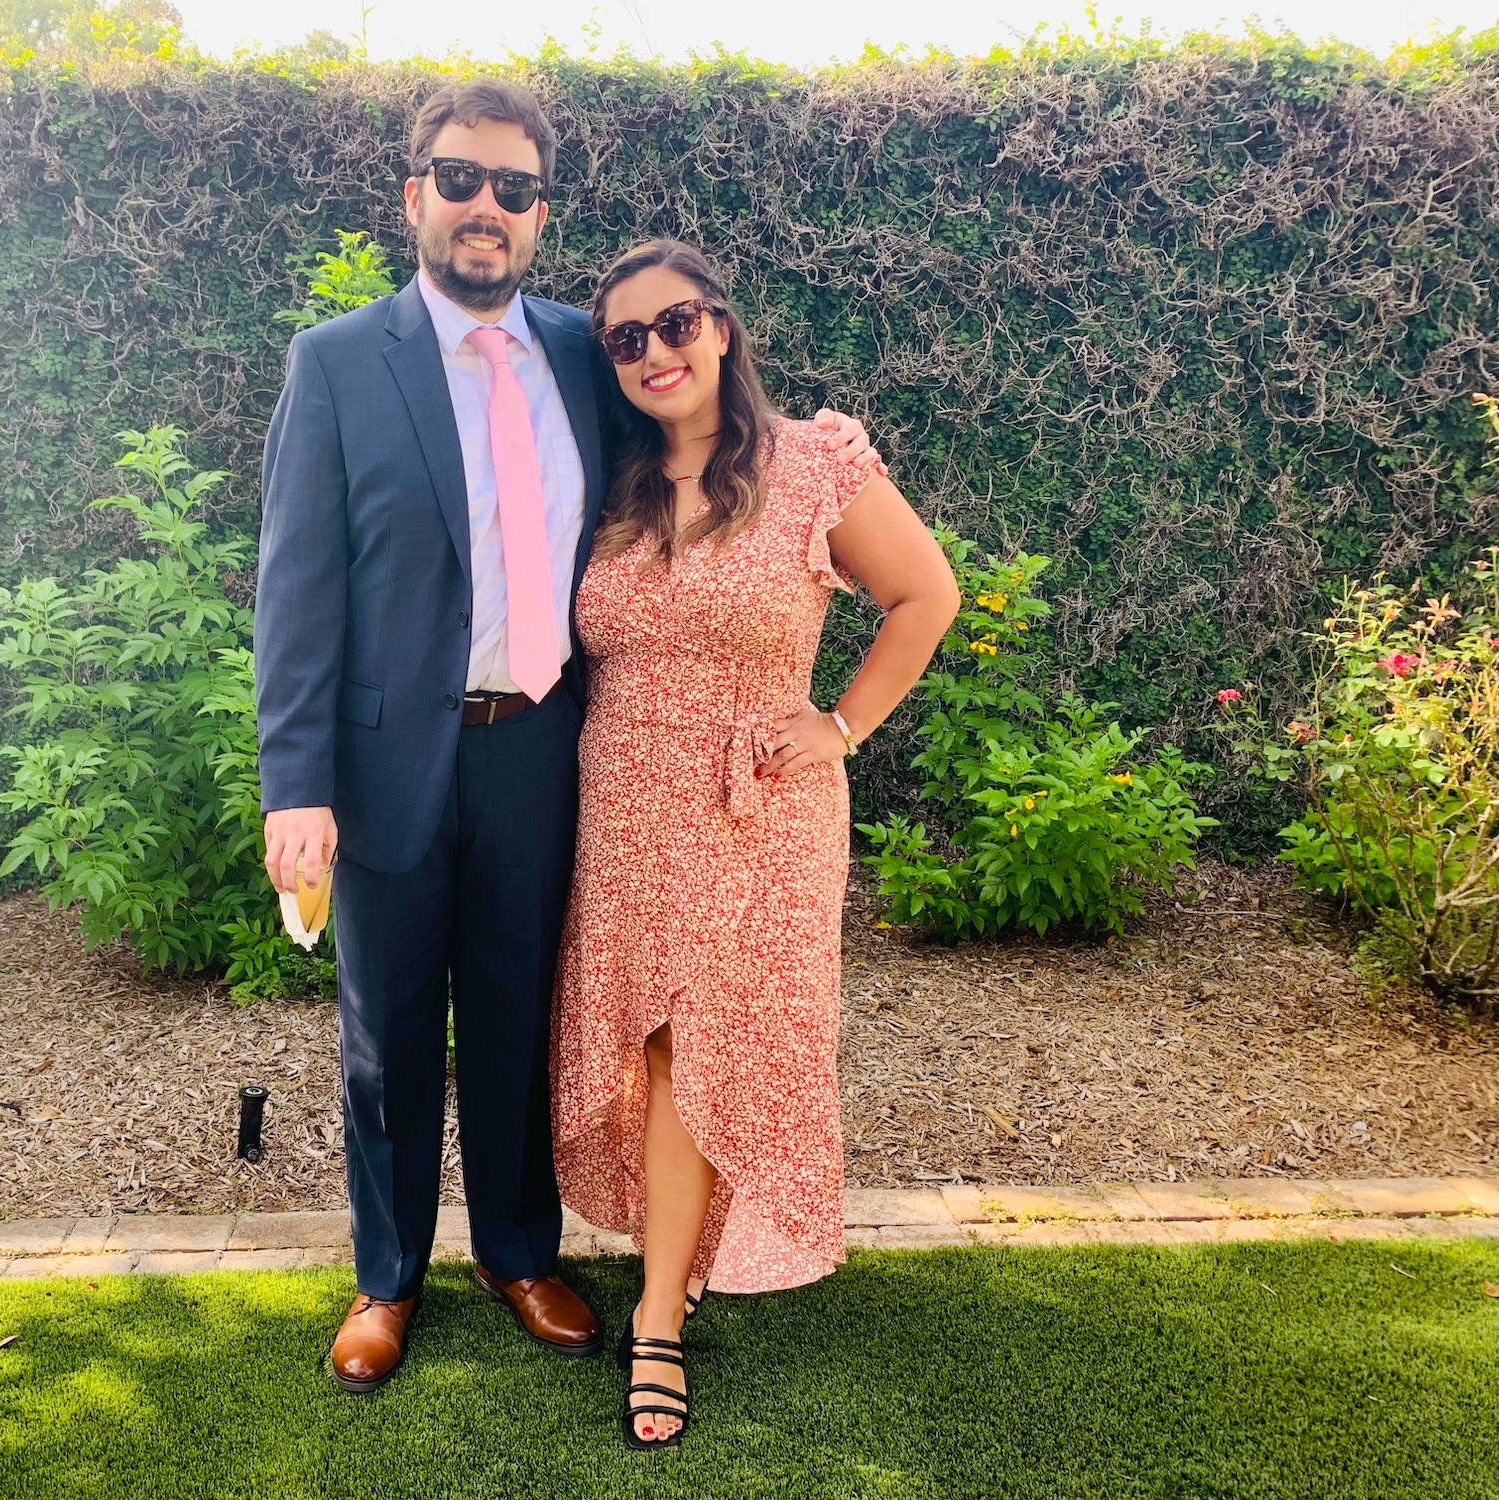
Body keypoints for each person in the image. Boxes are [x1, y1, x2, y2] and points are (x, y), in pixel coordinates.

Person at [254, 80, 883, 1393]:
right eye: (461, 179)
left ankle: (517, 1252)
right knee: (386, 1039)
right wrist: (293, 784)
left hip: (547, 752)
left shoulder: (586, 355)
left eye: (515, 188)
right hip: (385, 761)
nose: (486, 206)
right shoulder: (337, 363)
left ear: (540, 213)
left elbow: (703, 468)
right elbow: (297, 592)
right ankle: (386, 1276)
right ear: (416, 195)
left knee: (518, 1019)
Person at [549, 239, 959, 1450]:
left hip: (755, 810)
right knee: (651, 1047)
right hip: (622, 807)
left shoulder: (813, 463)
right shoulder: (611, 486)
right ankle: (669, 1267)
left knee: (700, 1047)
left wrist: (841, 725)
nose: (652, 353)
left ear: (720, 327)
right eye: (624, 340)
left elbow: (924, 595)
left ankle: (656, 1319)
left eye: (673, 323)